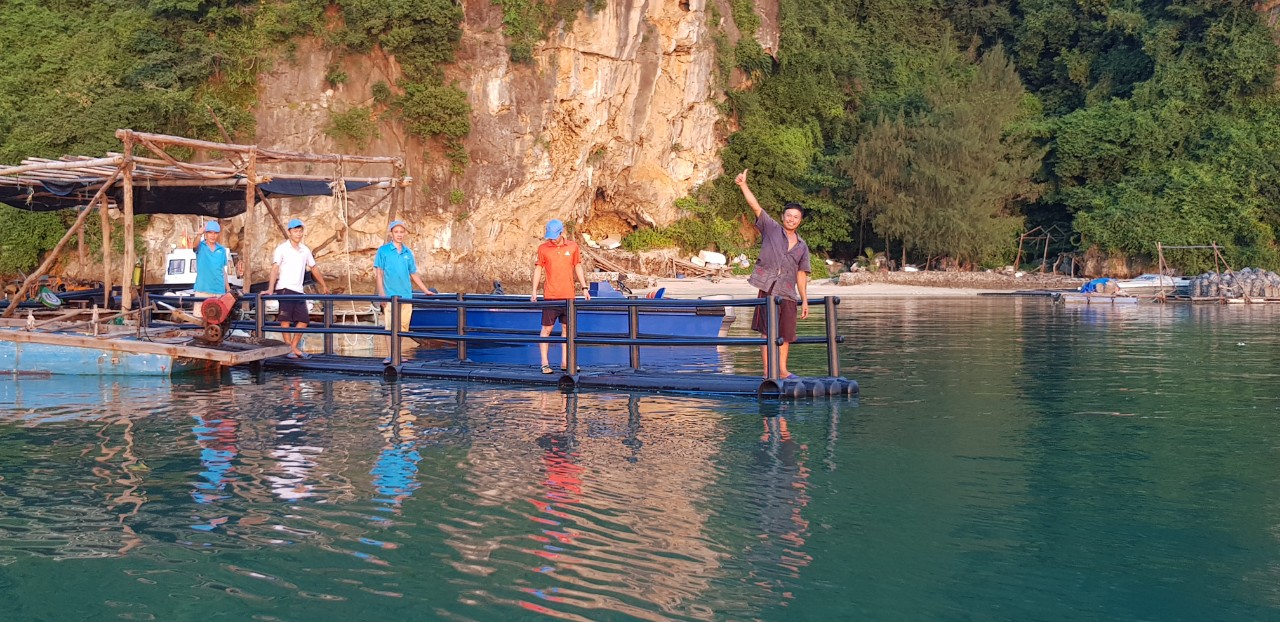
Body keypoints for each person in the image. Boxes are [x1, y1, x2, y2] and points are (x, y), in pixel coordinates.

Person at [735, 169, 810, 379]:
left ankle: (782, 371)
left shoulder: (802, 246)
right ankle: (768, 371)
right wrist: (743, 185)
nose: (791, 219)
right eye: (789, 215)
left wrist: (804, 300)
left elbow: (801, 274)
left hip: (788, 293)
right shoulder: (771, 228)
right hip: (768, 288)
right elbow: (755, 206)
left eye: (796, 217)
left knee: (786, 333)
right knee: (767, 331)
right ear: (783, 217)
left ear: (800, 221)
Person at [530, 219, 590, 374]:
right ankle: (544, 363)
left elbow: (577, 266)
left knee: (567, 329)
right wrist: (534, 291)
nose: (552, 239)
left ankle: (565, 362)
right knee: (546, 329)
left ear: (561, 233)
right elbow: (538, 269)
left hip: (569, 296)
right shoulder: (543, 248)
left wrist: (584, 288)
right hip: (550, 295)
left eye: (554, 236)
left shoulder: (573, 246)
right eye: (550, 236)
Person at [267, 219, 330, 359]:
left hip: (299, 290)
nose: (298, 234)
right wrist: (270, 289)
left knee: (304, 319)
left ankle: (293, 347)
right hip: (284, 288)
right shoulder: (282, 249)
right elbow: (275, 268)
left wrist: (324, 285)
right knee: (285, 319)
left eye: (300, 231)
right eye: (295, 231)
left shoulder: (304, 250)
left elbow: (313, 267)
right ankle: (288, 348)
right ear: (289, 232)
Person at [374, 220, 430, 364]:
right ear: (391, 233)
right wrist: (381, 294)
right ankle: (390, 355)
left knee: (403, 327)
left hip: (406, 295)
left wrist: (425, 290)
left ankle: (397, 354)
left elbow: (413, 273)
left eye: (401, 232)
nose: (399, 234)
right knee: (390, 326)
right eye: (396, 232)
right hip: (390, 295)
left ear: (404, 233)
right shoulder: (383, 251)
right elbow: (379, 273)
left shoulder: (408, 252)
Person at [191, 220, 232, 318]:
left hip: (218, 290)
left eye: (215, 233)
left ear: (218, 234)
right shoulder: (201, 246)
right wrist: (199, 234)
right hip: (202, 290)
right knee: (199, 319)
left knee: (217, 320)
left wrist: (228, 289)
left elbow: (222, 271)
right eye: (210, 233)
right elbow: (194, 246)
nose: (213, 236)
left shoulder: (222, 250)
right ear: (206, 234)